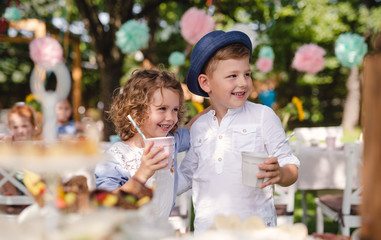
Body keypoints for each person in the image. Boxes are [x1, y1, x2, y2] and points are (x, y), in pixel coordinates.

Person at [177, 30, 300, 234]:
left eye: (247, 74)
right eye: (232, 76)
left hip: (255, 231)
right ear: (205, 83)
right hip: (209, 232)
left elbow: (291, 164)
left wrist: (281, 172)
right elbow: (186, 176)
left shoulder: (263, 116)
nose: (243, 82)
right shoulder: (200, 126)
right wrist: (155, 178)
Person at [95, 69, 199, 217]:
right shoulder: (116, 157)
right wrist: (143, 173)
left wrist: (217, 104)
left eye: (175, 109)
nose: (171, 117)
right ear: (137, 112)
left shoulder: (171, 141)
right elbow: (106, 204)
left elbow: (194, 129)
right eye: (162, 108)